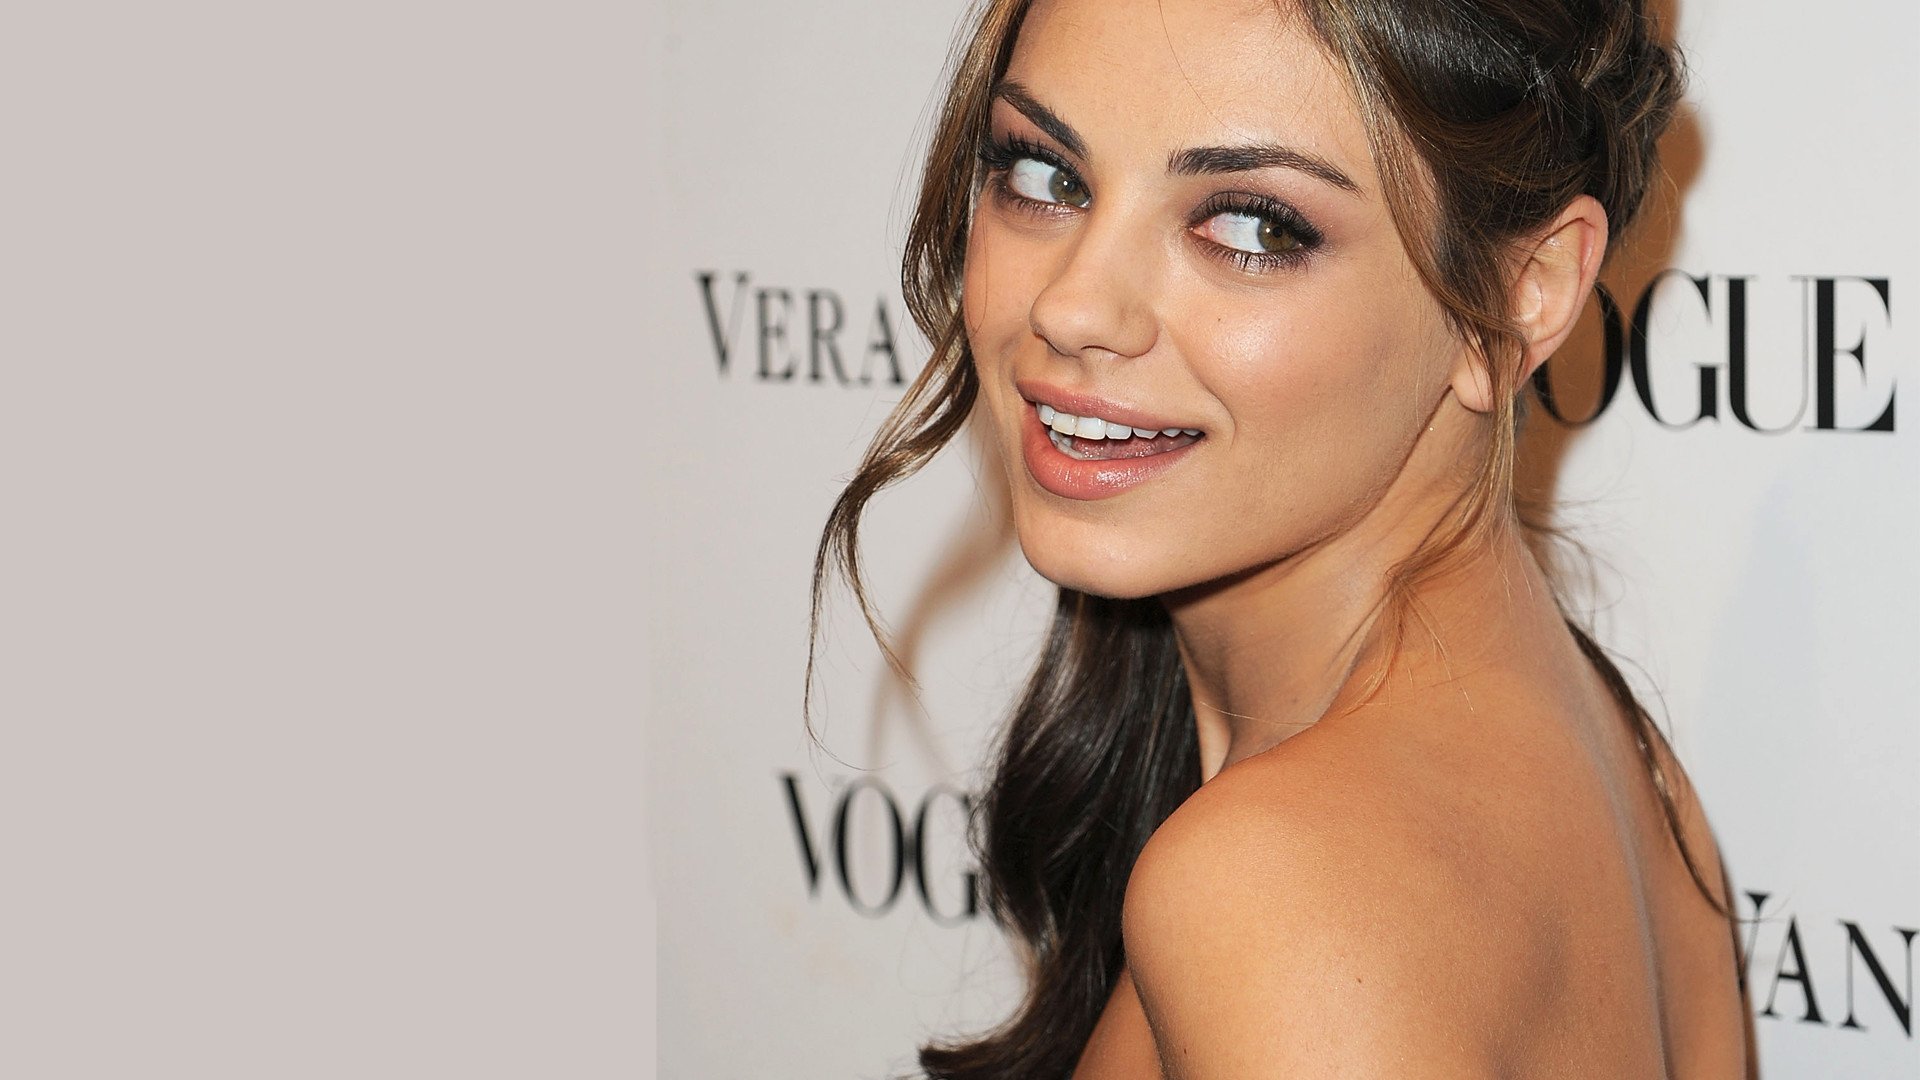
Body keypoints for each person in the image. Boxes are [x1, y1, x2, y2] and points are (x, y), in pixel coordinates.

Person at [810, 0, 1753, 1075]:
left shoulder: (1284, 886)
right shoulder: (1626, 773)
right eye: (1043, 174)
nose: (1073, 308)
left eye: (1255, 228)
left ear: (1525, 290)